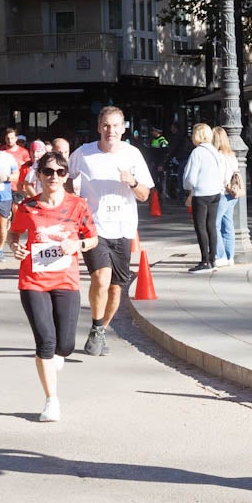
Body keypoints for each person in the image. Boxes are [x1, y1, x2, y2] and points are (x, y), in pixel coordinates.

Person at [8, 151, 97, 422]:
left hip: (66, 281)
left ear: (66, 175)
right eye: (48, 172)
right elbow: (14, 233)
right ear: (39, 175)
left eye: (59, 172)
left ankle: (59, 354)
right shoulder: (28, 206)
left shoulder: (78, 205)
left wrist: (77, 245)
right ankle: (51, 401)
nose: (54, 177)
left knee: (66, 345)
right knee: (46, 342)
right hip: (33, 281)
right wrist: (15, 247)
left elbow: (92, 239)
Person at [68, 106, 153, 356]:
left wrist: (133, 182)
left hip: (124, 229)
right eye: (106, 125)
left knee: (117, 288)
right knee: (101, 278)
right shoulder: (83, 154)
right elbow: (64, 180)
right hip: (94, 227)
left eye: (116, 126)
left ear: (124, 128)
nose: (110, 130)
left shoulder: (133, 155)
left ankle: (100, 329)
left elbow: (145, 194)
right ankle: (96, 325)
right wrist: (70, 189)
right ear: (98, 128)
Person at [182, 122, 225, 273]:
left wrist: (187, 187)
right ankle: (213, 259)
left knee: (200, 227)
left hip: (201, 193)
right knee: (211, 226)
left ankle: (204, 260)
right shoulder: (214, 151)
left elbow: (191, 177)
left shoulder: (197, 152)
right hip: (215, 193)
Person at [212, 126, 241, 267]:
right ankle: (230, 257)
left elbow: (222, 177)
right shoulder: (231, 155)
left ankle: (220, 256)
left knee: (214, 225)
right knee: (228, 224)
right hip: (233, 194)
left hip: (223, 192)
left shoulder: (218, 156)